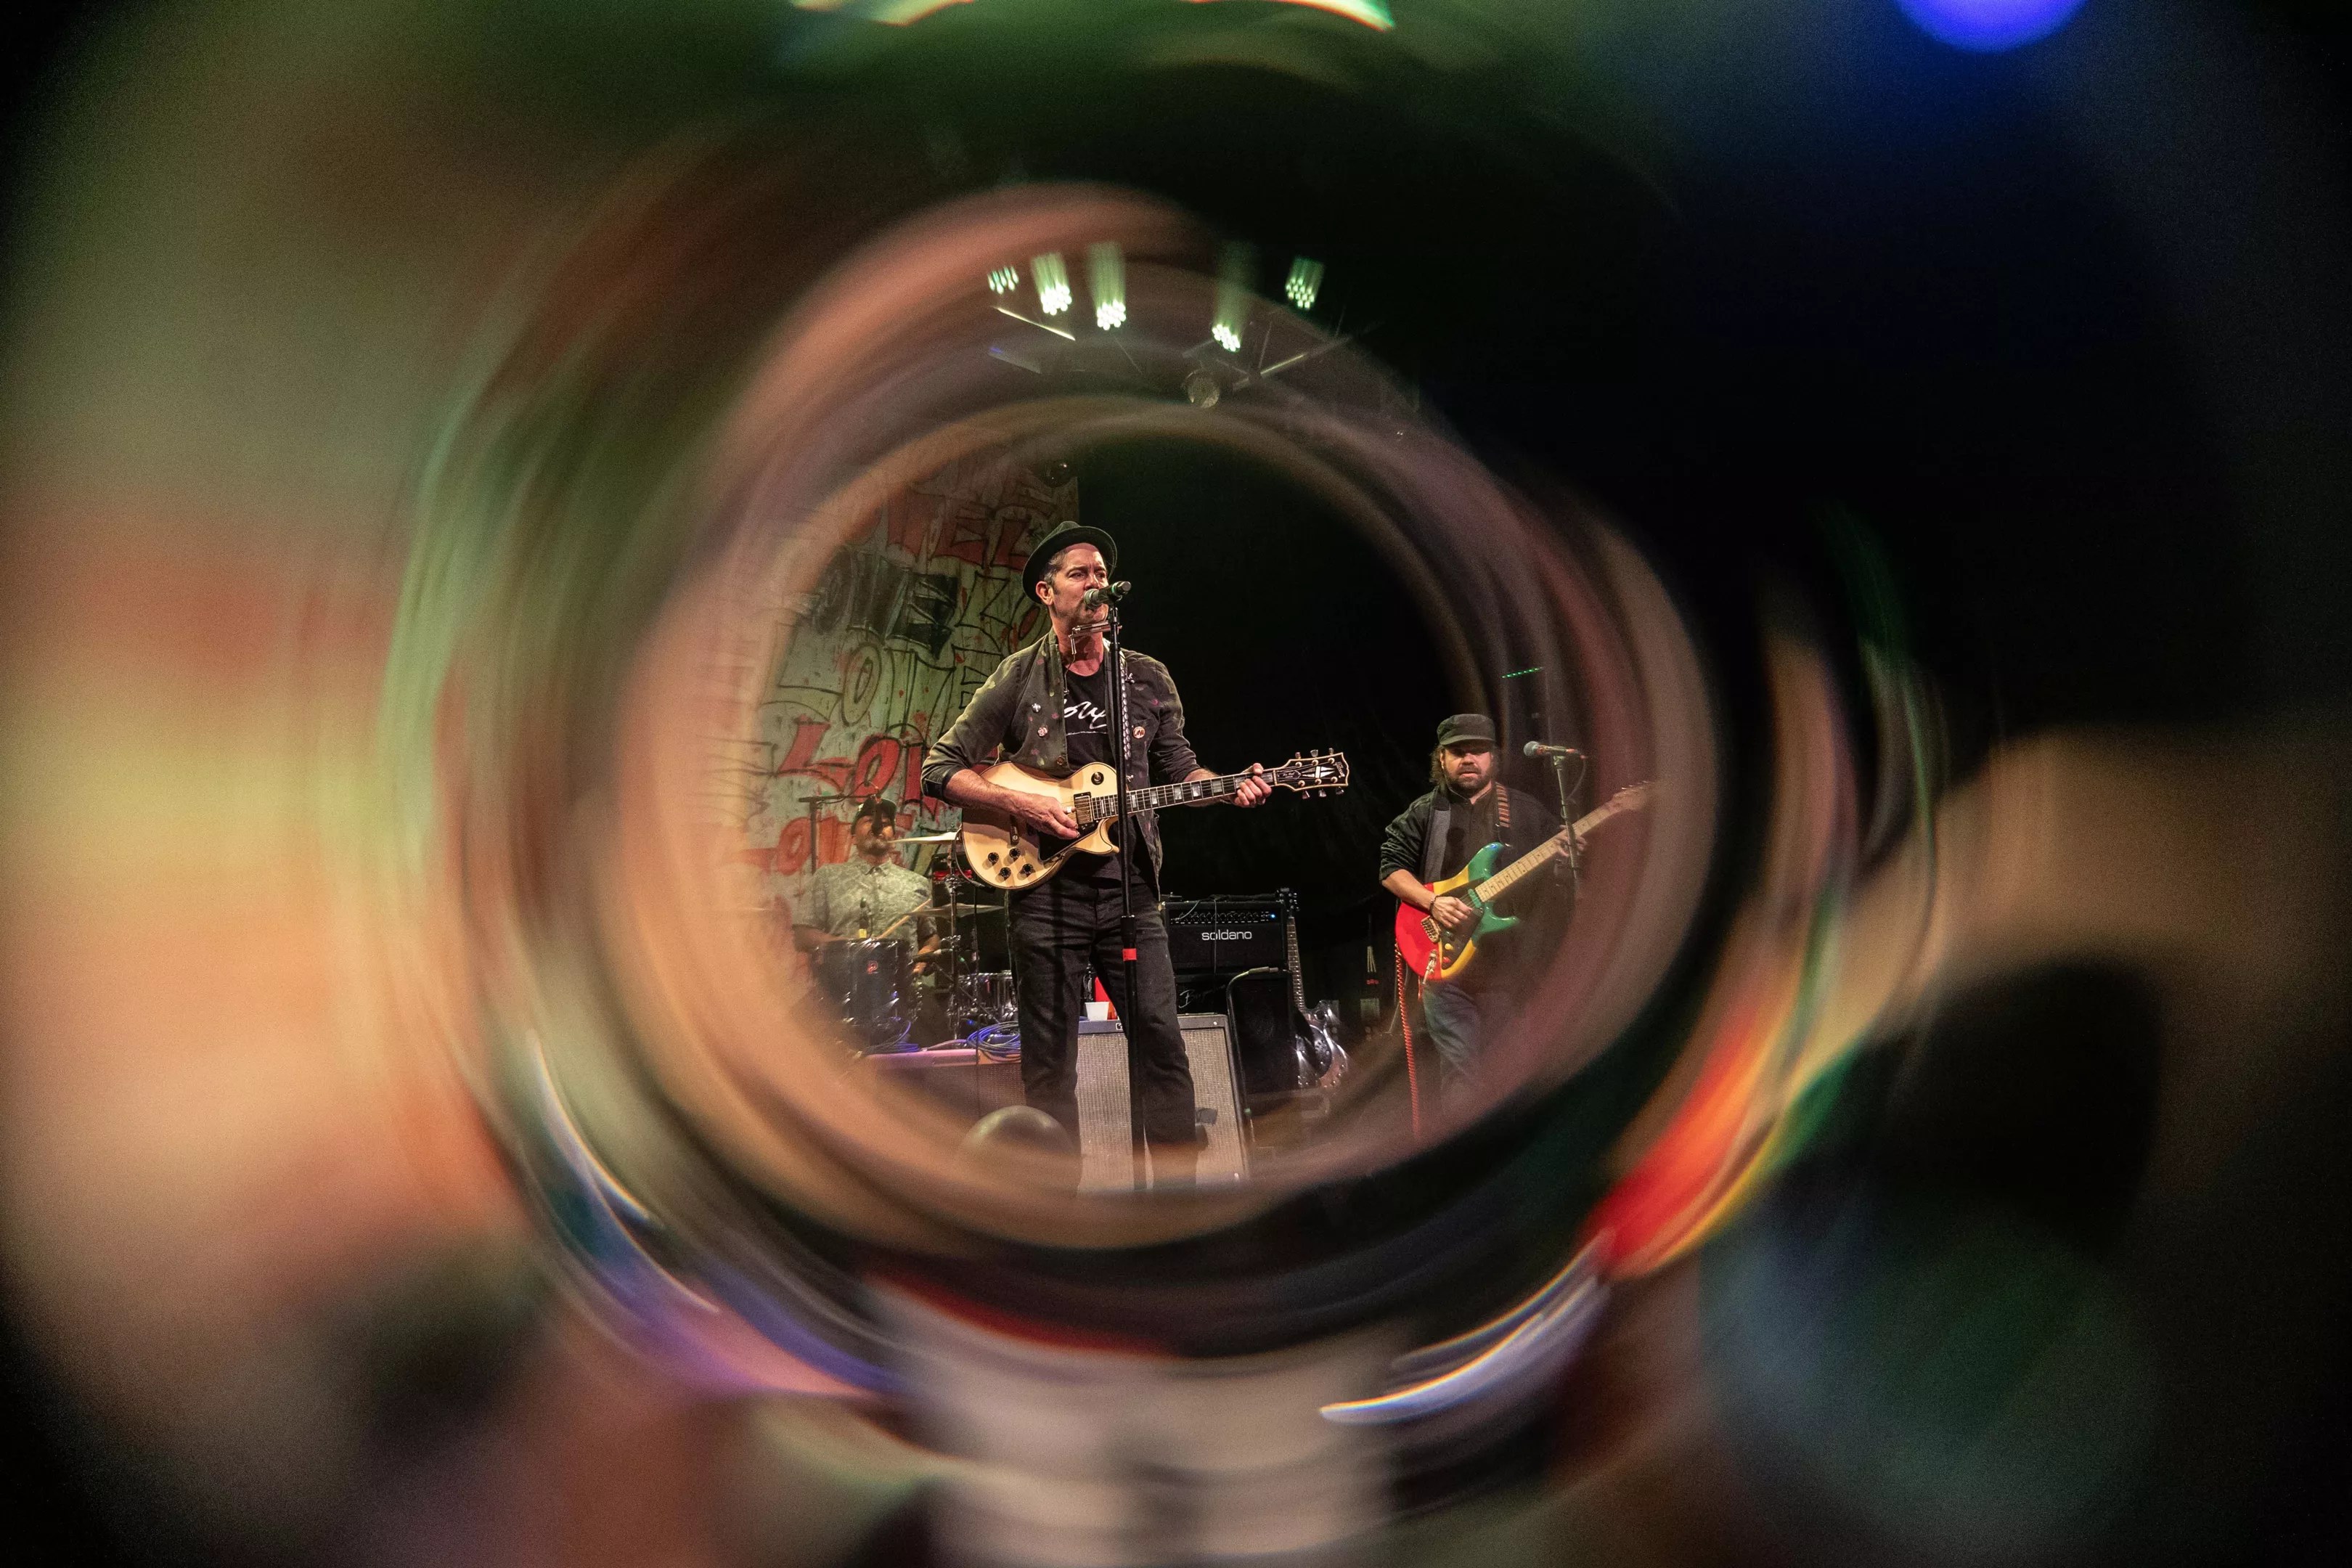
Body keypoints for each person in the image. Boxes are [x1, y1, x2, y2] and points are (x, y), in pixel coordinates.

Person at [922, 523, 1270, 1176]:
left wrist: (1226, 788)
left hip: (1129, 893)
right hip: (1043, 895)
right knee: (1050, 1061)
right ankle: (1061, 1201)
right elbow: (940, 768)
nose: (1095, 584)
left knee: (1162, 1041)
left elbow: (1181, 771)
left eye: (1102, 574)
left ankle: (1177, 1193)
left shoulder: (1146, 677)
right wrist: (1025, 805)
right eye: (1079, 574)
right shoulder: (1019, 675)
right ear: (1047, 592)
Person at [1378, 713, 1568, 1103]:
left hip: (1509, 967)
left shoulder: (1526, 811)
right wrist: (1433, 903)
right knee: (1463, 1077)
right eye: (1458, 752)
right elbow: (1390, 869)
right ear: (1441, 759)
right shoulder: (1425, 812)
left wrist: (1568, 857)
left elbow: (1558, 877)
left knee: (1511, 1074)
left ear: (1493, 757)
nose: (1469, 759)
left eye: (1478, 751)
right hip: (1446, 968)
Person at [793, 795, 936, 951]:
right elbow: (802, 935)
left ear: (894, 839)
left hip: (902, 967)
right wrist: (841, 945)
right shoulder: (827, 877)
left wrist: (923, 959)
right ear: (853, 838)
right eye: (869, 821)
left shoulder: (917, 883)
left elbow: (931, 938)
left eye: (885, 824)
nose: (877, 827)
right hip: (844, 967)